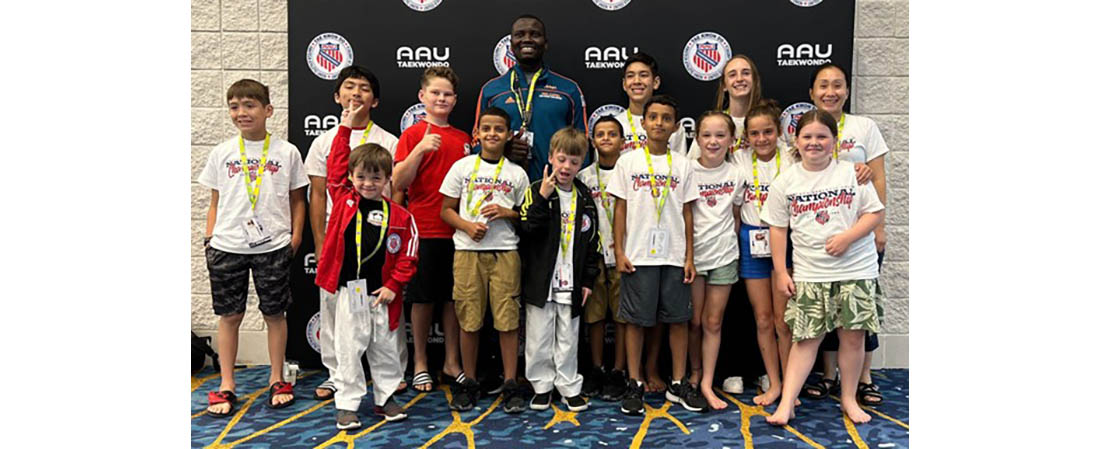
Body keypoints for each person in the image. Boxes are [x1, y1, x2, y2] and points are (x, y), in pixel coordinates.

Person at [761, 109, 885, 426]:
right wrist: (781, 271)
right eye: (807, 136)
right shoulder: (785, 182)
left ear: (834, 142)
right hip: (811, 272)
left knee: (853, 338)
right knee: (805, 341)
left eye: (822, 137)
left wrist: (848, 237)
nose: (814, 143)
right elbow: (777, 228)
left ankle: (847, 399)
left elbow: (874, 214)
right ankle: (787, 403)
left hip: (856, 270)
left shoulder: (852, 174)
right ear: (796, 140)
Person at [200, 79, 308, 417]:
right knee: (230, 315)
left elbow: (298, 199)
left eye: (249, 105)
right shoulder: (222, 152)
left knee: (274, 313)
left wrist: (295, 236)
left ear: (267, 110)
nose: (241, 112)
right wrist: (209, 237)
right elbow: (215, 200)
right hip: (227, 245)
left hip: (273, 245)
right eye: (234, 106)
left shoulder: (287, 152)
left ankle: (277, 378)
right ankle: (227, 384)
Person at [314, 103, 420, 428]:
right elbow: (334, 166)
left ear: (389, 178)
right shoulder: (345, 200)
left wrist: (393, 284)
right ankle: (347, 403)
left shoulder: (401, 217)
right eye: (361, 176)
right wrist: (345, 129)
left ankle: (385, 398)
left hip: (382, 293)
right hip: (352, 290)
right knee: (349, 347)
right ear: (351, 177)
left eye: (376, 177)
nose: (368, 183)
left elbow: (409, 254)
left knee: (386, 348)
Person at [304, 65, 402, 401]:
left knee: (380, 312)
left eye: (364, 88)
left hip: (376, 247)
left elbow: (397, 198)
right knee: (337, 313)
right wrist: (321, 243)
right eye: (349, 86)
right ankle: (337, 374)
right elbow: (320, 192)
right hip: (340, 246)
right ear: (337, 96)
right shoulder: (325, 140)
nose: (356, 93)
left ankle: (386, 380)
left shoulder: (389, 141)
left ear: (375, 100)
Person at [607, 95, 707, 415]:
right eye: (653, 117)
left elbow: (688, 213)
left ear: (676, 127)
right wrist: (620, 250)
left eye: (666, 118)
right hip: (638, 256)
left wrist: (689, 256)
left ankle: (677, 383)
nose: (659, 123)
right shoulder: (628, 162)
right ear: (643, 122)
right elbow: (619, 209)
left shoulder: (684, 165)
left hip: (675, 255)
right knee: (635, 322)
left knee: (678, 320)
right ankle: (634, 381)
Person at [803, 63, 890, 407]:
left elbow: (879, 177)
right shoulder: (807, 127)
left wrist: (880, 227)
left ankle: (864, 378)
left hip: (860, 234)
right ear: (811, 93)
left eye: (837, 85)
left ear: (847, 91)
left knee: (859, 311)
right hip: (820, 235)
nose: (830, 91)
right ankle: (828, 375)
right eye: (823, 85)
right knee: (825, 309)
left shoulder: (863, 127)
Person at [438, 107, 530, 413]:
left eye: (499, 129)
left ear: (508, 135)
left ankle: (511, 382)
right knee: (470, 319)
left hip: (505, 252)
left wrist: (506, 213)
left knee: (507, 321)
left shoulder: (516, 173)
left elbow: (526, 216)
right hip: (467, 253)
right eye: (486, 129)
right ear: (476, 133)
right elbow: (446, 210)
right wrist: (466, 226)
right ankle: (470, 381)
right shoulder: (462, 167)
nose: (492, 134)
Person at [392, 66, 468, 395]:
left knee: (453, 300)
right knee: (422, 300)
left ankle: (452, 362)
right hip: (421, 229)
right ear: (422, 96)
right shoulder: (412, 136)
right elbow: (398, 182)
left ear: (455, 100)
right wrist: (420, 149)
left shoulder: (464, 138)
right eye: (435, 93)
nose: (441, 98)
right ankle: (420, 363)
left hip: (458, 233)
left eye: (447, 94)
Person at [518, 127, 602, 413]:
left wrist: (588, 279)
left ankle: (568, 386)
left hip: (573, 277)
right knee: (539, 336)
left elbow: (593, 241)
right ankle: (541, 386)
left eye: (574, 162)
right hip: (542, 279)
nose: (567, 167)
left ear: (581, 164)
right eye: (562, 159)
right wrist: (543, 196)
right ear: (551, 157)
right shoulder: (535, 190)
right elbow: (527, 229)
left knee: (568, 335)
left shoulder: (585, 196)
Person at [731, 99, 796, 406]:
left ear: (779, 131)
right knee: (763, 319)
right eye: (754, 133)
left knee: (784, 321)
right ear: (746, 136)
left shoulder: (793, 156)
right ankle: (774, 382)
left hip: (786, 240)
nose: (761, 139)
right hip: (751, 238)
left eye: (767, 132)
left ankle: (789, 382)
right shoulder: (739, 158)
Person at [473, 14, 587, 178]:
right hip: (504, 186)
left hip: (554, 187)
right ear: (511, 45)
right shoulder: (491, 90)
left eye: (535, 34)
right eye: (520, 35)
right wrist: (501, 149)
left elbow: (582, 143)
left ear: (545, 44)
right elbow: (476, 142)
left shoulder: (568, 89)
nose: (527, 39)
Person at [687, 111, 746, 410]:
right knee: (695, 322)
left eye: (720, 135)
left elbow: (735, 218)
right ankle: (694, 375)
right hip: (694, 258)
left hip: (724, 256)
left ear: (731, 140)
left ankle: (708, 382)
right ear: (697, 138)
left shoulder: (736, 174)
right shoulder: (687, 170)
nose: (713, 141)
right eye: (707, 135)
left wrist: (727, 245)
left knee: (713, 322)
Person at [576, 116, 628, 401]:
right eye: (600, 134)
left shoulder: (631, 172)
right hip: (593, 258)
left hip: (625, 254)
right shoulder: (584, 177)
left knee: (621, 316)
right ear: (592, 141)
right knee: (594, 317)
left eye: (612, 134)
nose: (606, 138)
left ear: (623, 141)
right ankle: (596, 369)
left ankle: (618, 370)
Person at [687, 55, 762, 162]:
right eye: (732, 75)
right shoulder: (712, 123)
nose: (740, 79)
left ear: (755, 80)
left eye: (746, 73)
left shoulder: (765, 122)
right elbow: (692, 165)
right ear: (724, 85)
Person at [615, 52, 686, 155]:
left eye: (643, 75)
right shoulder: (614, 125)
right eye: (630, 76)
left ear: (655, 82)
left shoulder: (673, 126)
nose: (637, 81)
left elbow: (681, 167)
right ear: (624, 84)